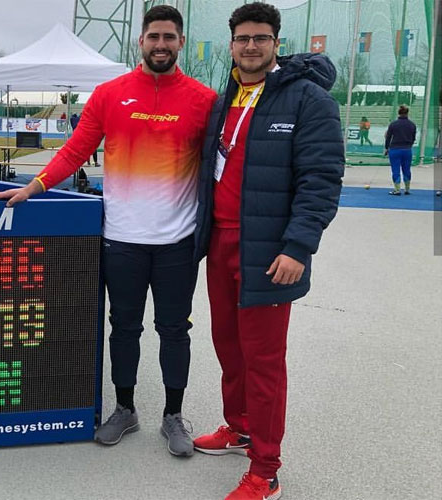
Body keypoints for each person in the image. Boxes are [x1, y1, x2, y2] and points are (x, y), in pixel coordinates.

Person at [0, 5, 216, 457]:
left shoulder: (203, 99)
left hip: (178, 242)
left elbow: (221, 164)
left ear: (181, 43)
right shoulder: (110, 94)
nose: (161, 45)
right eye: (154, 37)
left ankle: (173, 416)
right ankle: (125, 409)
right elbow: (74, 151)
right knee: (123, 328)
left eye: (170, 37)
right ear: (141, 41)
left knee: (174, 331)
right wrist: (33, 186)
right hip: (122, 240)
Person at [192, 3, 344, 499]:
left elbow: (320, 180)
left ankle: (266, 467)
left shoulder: (308, 100)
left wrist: (298, 247)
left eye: (261, 38)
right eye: (243, 38)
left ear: (277, 43)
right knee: (228, 347)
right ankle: (238, 427)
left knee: (263, 360)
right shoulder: (225, 98)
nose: (251, 46)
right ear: (231, 44)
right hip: (221, 241)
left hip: (269, 250)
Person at [384, 105, 417, 195]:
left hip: (395, 149)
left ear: (399, 113)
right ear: (407, 113)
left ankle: (397, 189)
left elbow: (388, 137)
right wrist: (409, 145)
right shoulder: (412, 124)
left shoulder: (393, 124)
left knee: (396, 169)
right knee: (407, 169)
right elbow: (413, 138)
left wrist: (387, 148)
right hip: (407, 150)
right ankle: (407, 189)